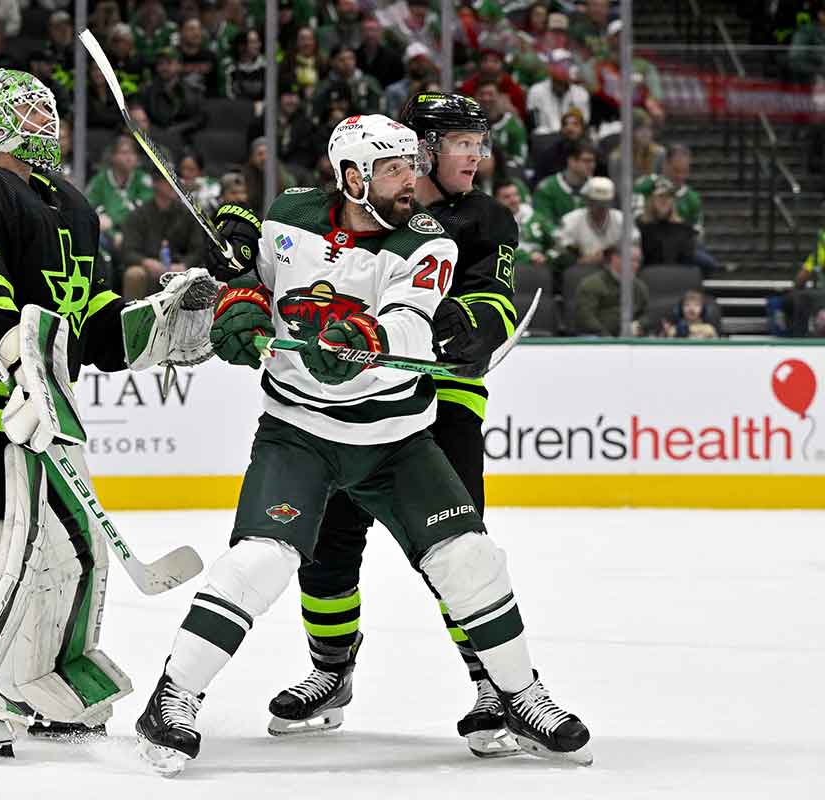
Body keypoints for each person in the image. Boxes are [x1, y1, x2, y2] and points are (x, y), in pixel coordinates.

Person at [137, 113, 590, 776]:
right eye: (395, 169)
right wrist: (239, 304)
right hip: (299, 432)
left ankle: (520, 695)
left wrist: (369, 343)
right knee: (261, 561)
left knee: (470, 559)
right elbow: (255, 283)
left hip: (395, 439)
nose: (412, 181)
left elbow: (411, 324)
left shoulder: (427, 240)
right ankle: (173, 699)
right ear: (352, 177)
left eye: (412, 163)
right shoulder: (290, 215)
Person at [0, 67, 213, 757]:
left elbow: (93, 328)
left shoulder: (74, 208)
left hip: (43, 402)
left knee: (65, 553)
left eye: (50, 112)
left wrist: (164, 326)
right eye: (32, 114)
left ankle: (46, 680)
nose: (51, 125)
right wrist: (22, 370)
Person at [263, 93, 534, 759]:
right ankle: (331, 670)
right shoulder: (363, 206)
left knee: (454, 550)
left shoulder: (487, 219)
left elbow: (493, 297)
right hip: (353, 400)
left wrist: (472, 321)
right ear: (418, 146)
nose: (475, 153)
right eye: (460, 140)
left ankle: (495, 686)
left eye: (479, 141)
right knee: (325, 545)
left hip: (442, 403)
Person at [119, 175, 201, 299]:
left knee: (197, 274)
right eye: (168, 181)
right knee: (134, 274)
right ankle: (133, 316)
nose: (173, 186)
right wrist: (145, 262)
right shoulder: (139, 215)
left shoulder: (188, 214)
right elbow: (128, 250)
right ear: (155, 183)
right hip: (148, 268)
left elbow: (198, 249)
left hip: (179, 268)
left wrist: (184, 265)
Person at [85, 134, 153, 248]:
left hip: (138, 233)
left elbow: (143, 209)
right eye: (124, 153)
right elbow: (91, 208)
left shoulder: (143, 180)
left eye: (133, 153)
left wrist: (112, 219)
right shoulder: (100, 180)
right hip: (108, 236)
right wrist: (113, 234)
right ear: (113, 156)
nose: (129, 157)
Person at [573, 243, 648, 336]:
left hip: (630, 338)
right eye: (631, 260)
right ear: (615, 259)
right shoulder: (591, 284)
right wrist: (609, 339)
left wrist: (638, 325)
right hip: (599, 338)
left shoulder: (640, 287)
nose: (636, 265)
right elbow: (585, 318)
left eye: (638, 261)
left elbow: (646, 314)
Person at [556, 176, 629, 268]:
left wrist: (609, 256)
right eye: (596, 202)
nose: (601, 206)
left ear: (612, 202)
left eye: (605, 202)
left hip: (615, 268)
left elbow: (634, 250)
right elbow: (560, 253)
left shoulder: (622, 220)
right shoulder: (570, 220)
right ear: (586, 200)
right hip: (579, 269)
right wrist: (580, 261)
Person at [532, 137, 595, 225]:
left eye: (593, 161)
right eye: (586, 161)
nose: (592, 165)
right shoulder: (546, 189)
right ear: (571, 161)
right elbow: (544, 224)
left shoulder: (598, 188)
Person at [638, 178, 696, 267]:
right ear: (651, 200)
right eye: (660, 196)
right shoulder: (640, 228)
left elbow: (689, 261)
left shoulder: (684, 229)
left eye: (668, 196)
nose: (664, 200)